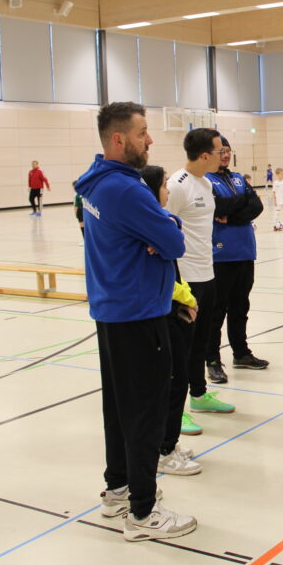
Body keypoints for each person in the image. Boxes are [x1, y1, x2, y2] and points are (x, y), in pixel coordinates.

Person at [74, 101, 196, 542]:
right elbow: (174, 243)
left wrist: (158, 227)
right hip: (140, 314)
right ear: (119, 138)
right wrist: (165, 224)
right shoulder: (126, 189)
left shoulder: (95, 180)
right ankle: (143, 512)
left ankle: (118, 489)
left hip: (111, 311)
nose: (150, 140)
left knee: (119, 408)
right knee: (145, 412)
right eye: (143, 132)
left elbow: (157, 235)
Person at [166, 128, 236, 432]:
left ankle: (198, 395)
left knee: (201, 342)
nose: (224, 155)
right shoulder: (177, 186)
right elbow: (163, 228)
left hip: (208, 273)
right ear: (205, 155)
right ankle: (175, 410)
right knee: (181, 347)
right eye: (220, 151)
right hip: (186, 279)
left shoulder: (206, 183)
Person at [140, 164, 203, 478]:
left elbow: (172, 263)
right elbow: (159, 269)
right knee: (174, 381)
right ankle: (164, 449)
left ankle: (169, 442)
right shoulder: (149, 225)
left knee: (180, 378)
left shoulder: (162, 221)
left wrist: (185, 296)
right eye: (164, 185)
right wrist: (185, 298)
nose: (168, 190)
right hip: (161, 311)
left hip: (173, 305)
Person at [204, 137, 270, 382]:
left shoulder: (238, 178)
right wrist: (241, 202)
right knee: (216, 311)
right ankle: (212, 359)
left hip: (245, 252)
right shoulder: (205, 181)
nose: (225, 155)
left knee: (240, 307)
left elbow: (257, 206)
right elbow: (216, 207)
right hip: (220, 255)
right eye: (221, 151)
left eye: (228, 151)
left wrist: (231, 216)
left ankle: (241, 353)